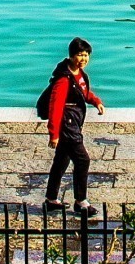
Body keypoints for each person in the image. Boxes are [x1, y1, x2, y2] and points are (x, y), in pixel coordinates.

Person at [44, 37, 105, 212]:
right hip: (67, 125)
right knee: (82, 160)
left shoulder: (79, 74)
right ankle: (81, 201)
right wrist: (53, 134)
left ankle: (51, 199)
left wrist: (96, 101)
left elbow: (84, 93)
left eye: (86, 55)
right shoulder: (64, 80)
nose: (83, 59)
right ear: (71, 56)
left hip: (74, 122)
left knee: (61, 161)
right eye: (80, 55)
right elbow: (55, 107)